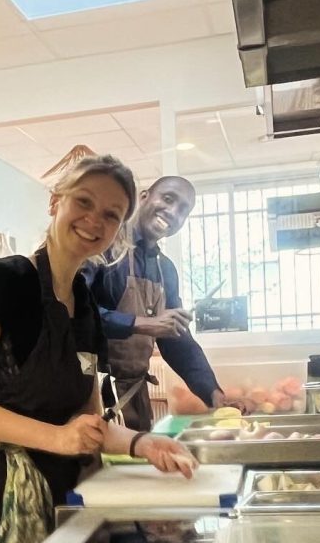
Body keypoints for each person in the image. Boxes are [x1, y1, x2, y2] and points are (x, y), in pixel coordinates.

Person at [0, 155, 197, 543]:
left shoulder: (86, 307)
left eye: (111, 214)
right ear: (55, 203)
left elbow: (88, 422)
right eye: (84, 201)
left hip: (57, 488)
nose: (95, 220)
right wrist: (56, 438)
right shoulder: (3, 280)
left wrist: (141, 444)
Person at [86, 175, 241, 431]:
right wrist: (141, 323)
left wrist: (213, 393)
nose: (172, 212)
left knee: (135, 468)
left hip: (133, 394)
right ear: (144, 197)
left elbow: (176, 339)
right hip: (90, 392)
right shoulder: (103, 247)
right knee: (96, 467)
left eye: (183, 210)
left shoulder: (165, 269)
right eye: (168, 199)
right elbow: (74, 314)